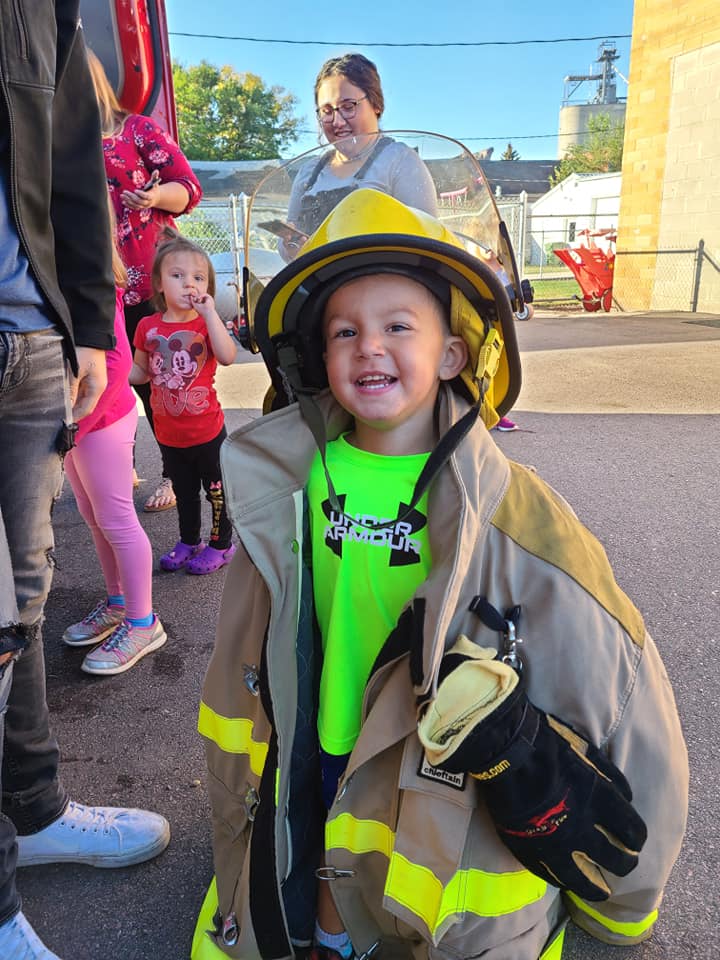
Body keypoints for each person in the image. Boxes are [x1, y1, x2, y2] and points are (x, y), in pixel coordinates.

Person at [192, 190, 688, 960]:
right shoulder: (288, 479)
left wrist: (629, 900)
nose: (368, 347)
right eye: (345, 331)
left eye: (398, 327)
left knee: (404, 860)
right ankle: (328, 928)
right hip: (325, 731)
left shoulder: (516, 519)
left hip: (435, 770)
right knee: (328, 830)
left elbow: (620, 689)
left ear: (454, 353)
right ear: (316, 359)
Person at [0, 5, 170, 958]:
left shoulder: (40, 8)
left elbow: (69, 162)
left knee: (17, 604)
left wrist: (94, 328)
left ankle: (32, 808)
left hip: (30, 343)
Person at [87, 50, 203, 514]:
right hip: (96, 284)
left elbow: (188, 188)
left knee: (159, 385)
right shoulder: (62, 140)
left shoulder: (135, 129)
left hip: (146, 282)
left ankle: (177, 474)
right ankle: (122, 467)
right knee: (110, 382)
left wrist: (155, 194)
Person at [62, 206, 166, 675]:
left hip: (100, 419)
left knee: (117, 518)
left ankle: (144, 622)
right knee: (92, 516)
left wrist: (81, 414)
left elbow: (117, 362)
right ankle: (119, 602)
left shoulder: (96, 282)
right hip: (73, 423)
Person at [130, 231, 238, 576]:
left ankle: (222, 545)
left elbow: (228, 356)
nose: (188, 284)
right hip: (169, 433)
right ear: (159, 283)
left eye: (198, 277)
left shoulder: (206, 325)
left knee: (217, 493)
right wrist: (112, 366)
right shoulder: (147, 326)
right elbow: (140, 374)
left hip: (207, 430)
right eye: (177, 276)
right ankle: (189, 541)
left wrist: (210, 316)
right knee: (185, 492)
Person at [283, 53, 437, 253]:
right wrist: (291, 243)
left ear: (376, 105)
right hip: (317, 283)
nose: (337, 121)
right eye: (327, 111)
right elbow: (288, 244)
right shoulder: (308, 173)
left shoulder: (399, 161)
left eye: (348, 107)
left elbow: (429, 242)